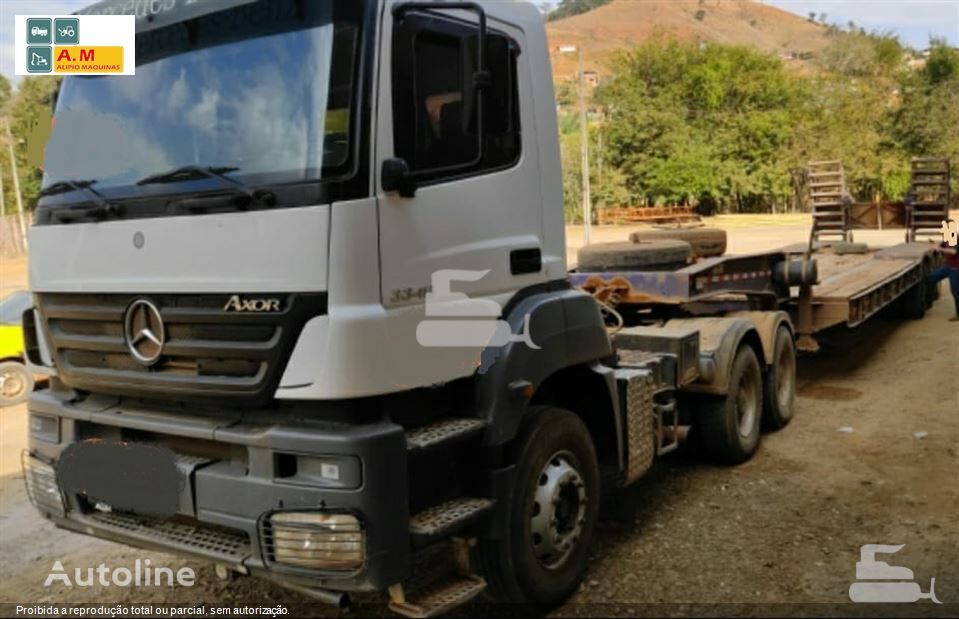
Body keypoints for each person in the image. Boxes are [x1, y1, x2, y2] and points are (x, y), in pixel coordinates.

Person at [929, 240, 959, 321]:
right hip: (948, 267)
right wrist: (935, 243)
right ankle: (930, 298)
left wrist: (940, 249)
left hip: (956, 269)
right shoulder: (948, 237)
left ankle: (958, 314)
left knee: (956, 292)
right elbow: (942, 243)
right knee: (932, 277)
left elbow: (953, 251)